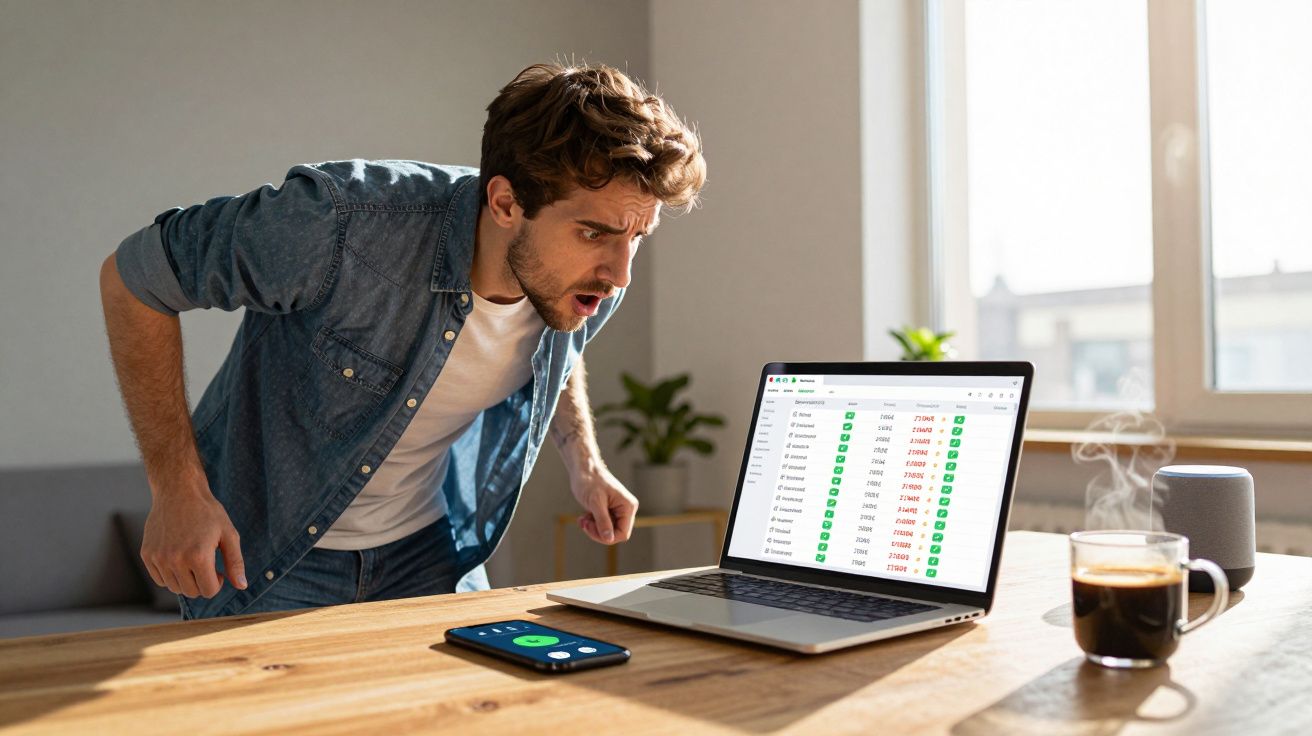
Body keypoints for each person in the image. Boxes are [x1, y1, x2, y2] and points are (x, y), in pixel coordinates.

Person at [98, 62, 706, 620]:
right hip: (269, 556)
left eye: (638, 236)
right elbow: (134, 279)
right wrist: (176, 491)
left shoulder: (587, 277)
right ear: (505, 203)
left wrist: (586, 464)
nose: (621, 271)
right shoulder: (339, 226)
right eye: (595, 233)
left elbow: (557, 339)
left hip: (430, 554)